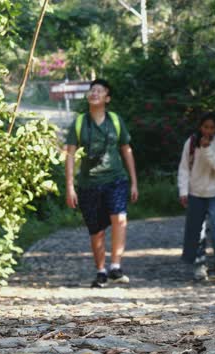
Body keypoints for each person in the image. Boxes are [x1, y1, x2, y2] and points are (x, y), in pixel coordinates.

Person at [65, 79, 139, 288]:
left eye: (100, 90)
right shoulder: (80, 123)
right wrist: (70, 186)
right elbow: (69, 155)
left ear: (107, 98)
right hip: (88, 184)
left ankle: (115, 266)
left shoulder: (115, 120)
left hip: (116, 179)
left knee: (119, 218)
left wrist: (134, 182)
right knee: (96, 230)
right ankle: (101, 271)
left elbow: (126, 149)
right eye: (92, 90)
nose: (94, 93)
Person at [177, 112, 215, 281]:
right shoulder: (191, 142)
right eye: (205, 127)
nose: (208, 130)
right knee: (197, 230)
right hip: (195, 192)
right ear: (200, 127)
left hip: (214, 192)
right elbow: (184, 168)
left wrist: (207, 148)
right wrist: (183, 191)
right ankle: (200, 265)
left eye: (212, 127)